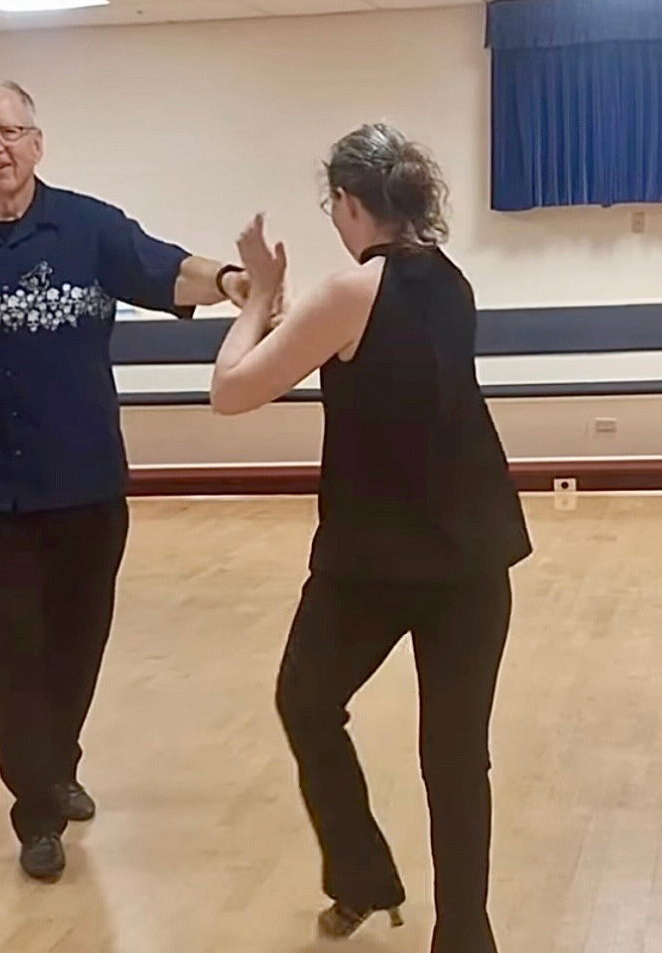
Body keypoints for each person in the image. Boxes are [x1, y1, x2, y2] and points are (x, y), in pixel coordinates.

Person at [0, 80, 255, 883]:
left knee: (77, 641)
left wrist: (229, 282)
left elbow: (163, 269)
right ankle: (36, 812)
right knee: (13, 643)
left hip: (86, 481)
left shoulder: (86, 226)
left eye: (9, 131)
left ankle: (56, 762)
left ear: (37, 141)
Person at [210, 124, 532, 953]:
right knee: (456, 756)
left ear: (350, 203)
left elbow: (231, 390)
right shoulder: (450, 280)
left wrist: (256, 295)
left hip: (376, 559)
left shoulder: (352, 288)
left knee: (307, 703)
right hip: (471, 548)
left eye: (335, 207)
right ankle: (463, 933)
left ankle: (359, 875)